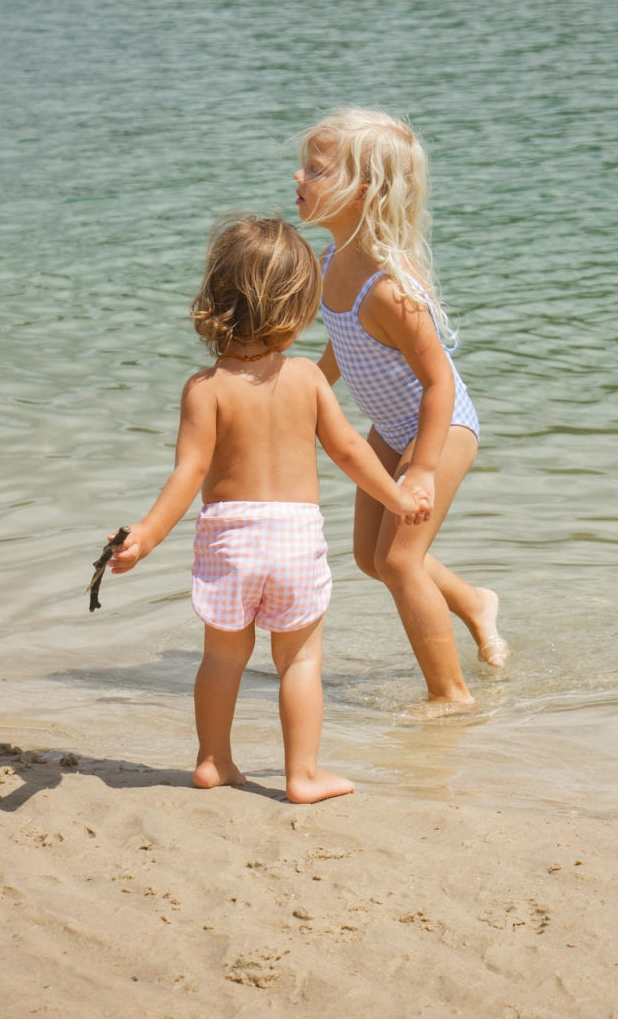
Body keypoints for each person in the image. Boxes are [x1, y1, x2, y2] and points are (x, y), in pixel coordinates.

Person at [107, 214, 427, 802]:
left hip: (229, 537)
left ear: (214, 300)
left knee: (223, 658)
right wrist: (398, 496)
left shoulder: (205, 389)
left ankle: (212, 761)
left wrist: (146, 536)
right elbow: (351, 451)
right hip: (294, 541)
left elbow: (190, 472)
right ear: (300, 306)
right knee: (300, 659)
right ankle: (302, 776)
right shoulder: (307, 378)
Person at [293, 108, 506, 714]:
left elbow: (440, 383)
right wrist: (307, 382)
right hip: (393, 426)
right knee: (369, 556)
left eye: (315, 168)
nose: (299, 176)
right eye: (304, 165)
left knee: (398, 559)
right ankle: (473, 602)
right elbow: (345, 340)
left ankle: (450, 694)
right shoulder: (334, 263)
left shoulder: (389, 287)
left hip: (441, 428)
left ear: (362, 193)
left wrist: (422, 468)